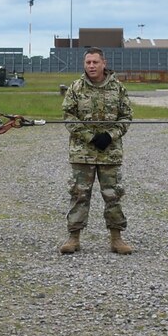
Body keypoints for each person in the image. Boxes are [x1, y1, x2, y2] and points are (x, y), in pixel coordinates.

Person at [60, 47, 132, 255]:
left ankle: (116, 238)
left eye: (95, 62)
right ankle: (74, 237)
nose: (91, 66)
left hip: (110, 153)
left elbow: (126, 116)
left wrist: (110, 136)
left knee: (113, 195)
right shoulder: (76, 88)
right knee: (79, 194)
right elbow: (68, 116)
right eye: (88, 62)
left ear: (104, 63)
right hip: (82, 152)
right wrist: (89, 137)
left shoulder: (118, 88)